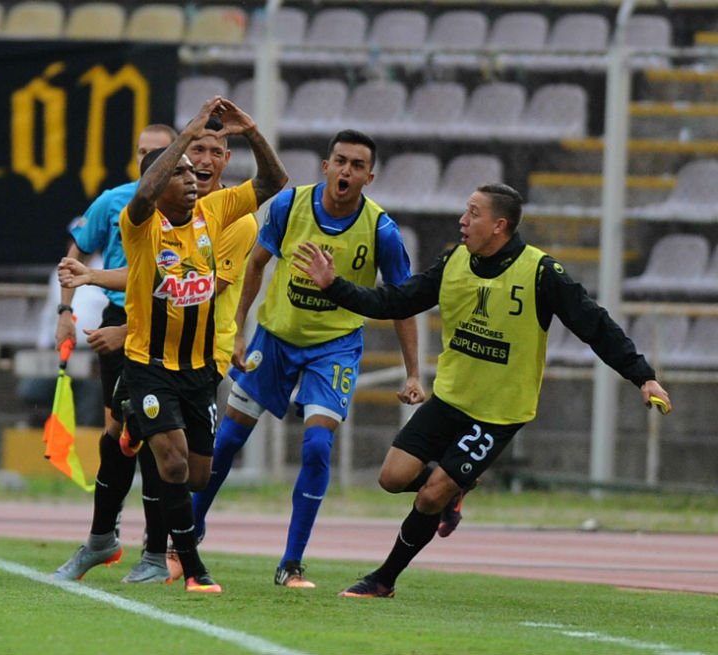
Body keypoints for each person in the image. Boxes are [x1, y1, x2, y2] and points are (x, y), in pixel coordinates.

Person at [293, 182, 671, 598]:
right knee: (391, 478)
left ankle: (384, 579)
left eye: (473, 213)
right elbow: (397, 301)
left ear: (499, 226)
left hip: (499, 412)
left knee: (431, 493)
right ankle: (456, 488)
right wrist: (334, 286)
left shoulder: (542, 273)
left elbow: (595, 325)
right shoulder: (454, 260)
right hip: (452, 398)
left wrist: (643, 375)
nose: (462, 219)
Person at [189, 129, 425, 589]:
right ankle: (188, 535)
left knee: (317, 447)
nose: (346, 171)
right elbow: (255, 265)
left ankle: (291, 564)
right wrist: (238, 329)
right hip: (274, 338)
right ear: (326, 165)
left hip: (334, 347)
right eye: (340, 161)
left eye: (357, 166)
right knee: (227, 441)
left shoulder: (381, 231)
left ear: (369, 177)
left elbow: (403, 302)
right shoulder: (289, 205)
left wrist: (414, 371)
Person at [53, 115, 259, 585]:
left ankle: (154, 552)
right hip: (141, 340)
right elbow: (82, 249)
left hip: (197, 348)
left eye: (208, 154)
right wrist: (72, 300)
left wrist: (120, 322)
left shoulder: (227, 215)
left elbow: (190, 283)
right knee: (130, 439)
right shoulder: (124, 203)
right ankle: (116, 544)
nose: (199, 165)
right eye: (192, 156)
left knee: (174, 460)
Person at [111, 95, 287, 593]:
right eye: (181, 173)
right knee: (171, 462)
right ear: (159, 181)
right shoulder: (142, 225)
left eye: (195, 173)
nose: (194, 179)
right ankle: (193, 570)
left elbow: (275, 183)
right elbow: (142, 197)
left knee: (195, 476)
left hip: (198, 370)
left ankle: (133, 422)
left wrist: (250, 129)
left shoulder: (215, 212)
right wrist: (185, 135)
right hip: (149, 364)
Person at [48, 125, 176, 584]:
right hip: (119, 317)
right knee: (120, 432)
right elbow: (77, 251)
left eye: (158, 153)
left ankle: (160, 550)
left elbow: (166, 278)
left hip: (170, 327)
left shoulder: (190, 209)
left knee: (159, 437)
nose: (149, 161)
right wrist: (66, 310)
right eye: (142, 152)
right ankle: (108, 539)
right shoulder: (114, 200)